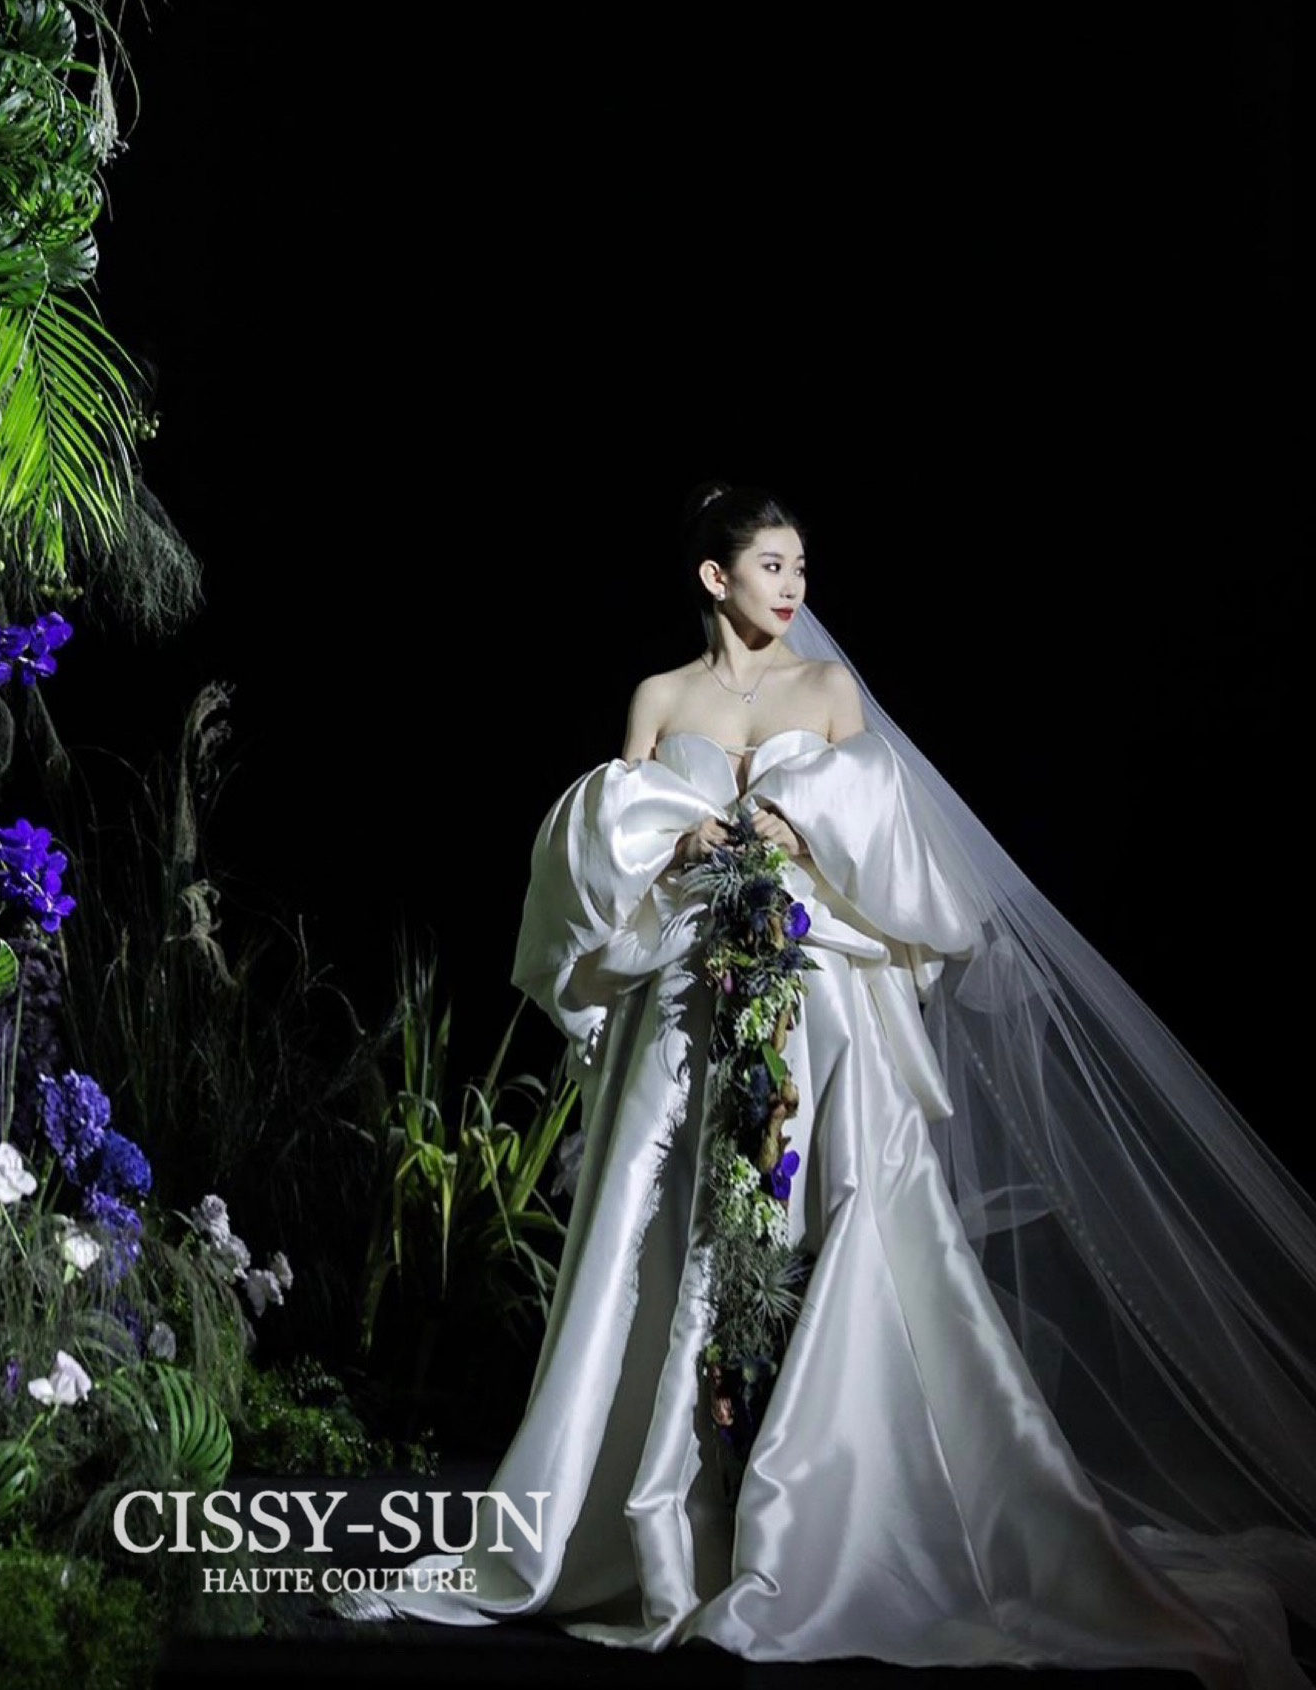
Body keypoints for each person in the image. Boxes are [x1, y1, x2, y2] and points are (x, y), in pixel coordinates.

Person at [330, 480, 1316, 1685]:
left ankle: (836, 1520)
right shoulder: (660, 698)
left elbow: (888, 832)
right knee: (661, 1229)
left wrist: (804, 832)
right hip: (690, 992)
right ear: (716, 576)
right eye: (773, 565)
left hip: (817, 994)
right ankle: (665, 1522)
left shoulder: (830, 690)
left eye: (801, 567)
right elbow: (596, 847)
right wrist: (676, 838)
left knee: (836, 1214)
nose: (794, 586)